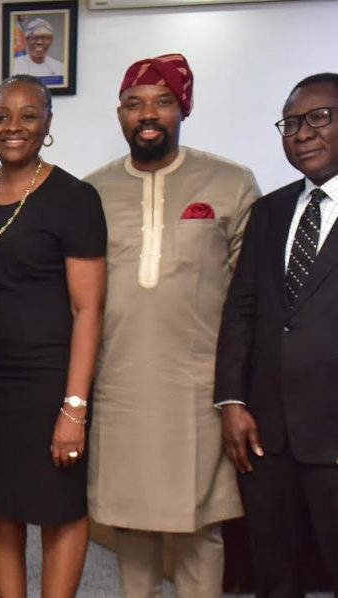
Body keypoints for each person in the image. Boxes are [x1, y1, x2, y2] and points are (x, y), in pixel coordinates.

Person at [84, 53, 259, 598]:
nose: (148, 114)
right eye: (134, 104)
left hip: (199, 389)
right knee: (130, 522)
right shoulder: (92, 192)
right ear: (120, 114)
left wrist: (237, 393)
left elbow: (250, 299)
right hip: (121, 386)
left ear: (183, 109)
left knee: (201, 527)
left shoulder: (231, 183)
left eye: (162, 102)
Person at [0, 75, 107, 598]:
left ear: (47, 124)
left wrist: (74, 407)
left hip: (50, 382)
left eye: (28, 115)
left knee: (58, 507)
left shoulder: (75, 198)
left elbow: (88, 309)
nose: (14, 126)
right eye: (2, 116)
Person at [215, 72, 338, 597]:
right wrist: (232, 400)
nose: (302, 133)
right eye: (290, 124)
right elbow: (242, 309)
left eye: (318, 117)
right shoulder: (269, 211)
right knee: (275, 574)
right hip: (268, 435)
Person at [13, 17, 63, 83]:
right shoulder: (14, 65)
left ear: (51, 41)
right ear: (27, 40)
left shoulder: (60, 67)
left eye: (45, 38)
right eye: (34, 38)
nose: (39, 42)